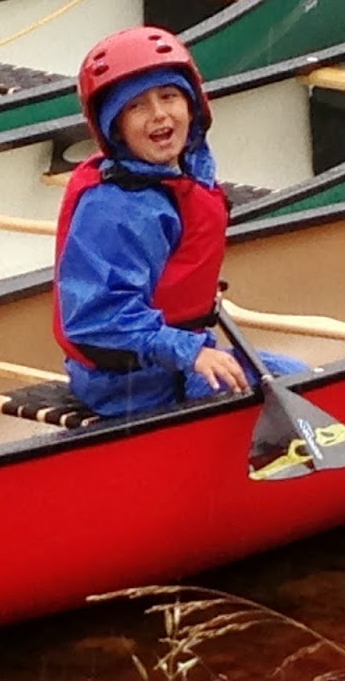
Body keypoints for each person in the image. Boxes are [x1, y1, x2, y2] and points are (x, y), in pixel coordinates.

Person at [53, 26, 305, 418]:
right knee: (275, 386)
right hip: (127, 385)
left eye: (169, 97)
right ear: (114, 128)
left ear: (192, 106)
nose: (158, 114)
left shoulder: (181, 175)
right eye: (136, 106)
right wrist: (191, 352)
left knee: (300, 376)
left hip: (165, 361)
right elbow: (95, 319)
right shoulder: (117, 208)